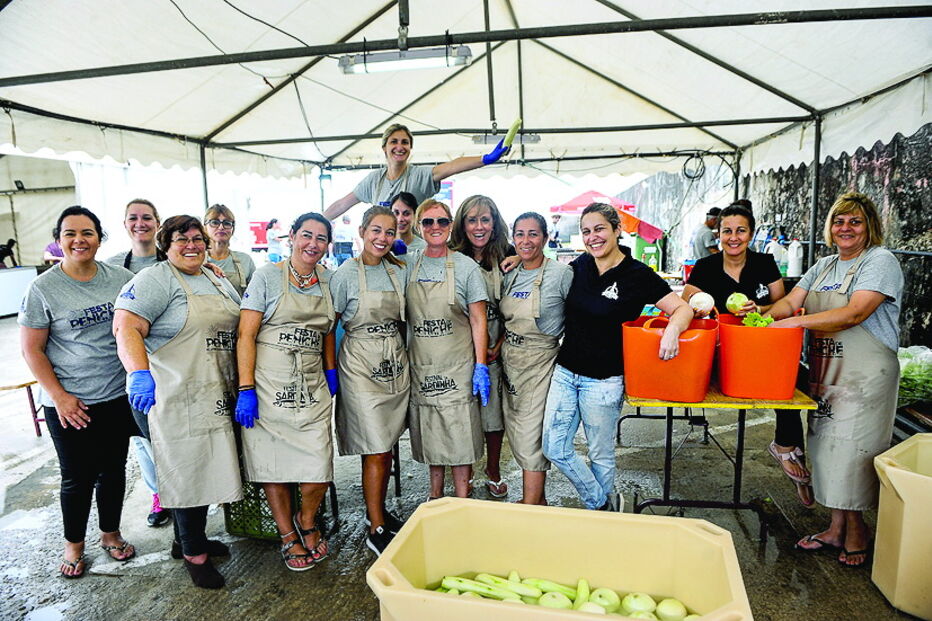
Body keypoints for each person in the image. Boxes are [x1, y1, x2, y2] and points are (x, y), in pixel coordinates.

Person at [768, 192, 903, 568]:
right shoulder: (824, 266)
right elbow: (790, 302)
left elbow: (854, 313)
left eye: (855, 222)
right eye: (839, 222)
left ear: (869, 226)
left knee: (853, 453)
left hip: (866, 374)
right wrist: (762, 311)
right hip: (828, 372)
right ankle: (835, 528)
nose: (846, 228)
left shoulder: (880, 261)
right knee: (827, 449)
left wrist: (793, 321)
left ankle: (858, 532)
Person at [113, 215, 243, 589]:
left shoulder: (214, 276)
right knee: (186, 471)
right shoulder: (155, 279)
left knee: (201, 468)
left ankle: (185, 540)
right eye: (181, 239)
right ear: (164, 244)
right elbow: (125, 326)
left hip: (210, 390)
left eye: (198, 238)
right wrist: (138, 372)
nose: (192, 245)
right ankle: (194, 555)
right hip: (166, 394)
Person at [543, 202, 693, 511]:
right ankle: (602, 503)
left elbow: (682, 308)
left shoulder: (637, 274)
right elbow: (539, 268)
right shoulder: (577, 267)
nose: (592, 237)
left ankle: (602, 518)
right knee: (554, 447)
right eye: (586, 231)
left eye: (599, 229)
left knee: (600, 455)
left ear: (616, 230)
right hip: (565, 372)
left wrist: (672, 331)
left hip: (605, 380)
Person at [19, 206, 137, 578]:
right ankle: (74, 546)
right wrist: (60, 397)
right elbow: (32, 349)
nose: (79, 240)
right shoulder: (43, 288)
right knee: (77, 476)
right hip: (71, 402)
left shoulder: (119, 278)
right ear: (59, 240)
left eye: (87, 233)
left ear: (99, 238)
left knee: (114, 470)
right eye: (70, 233)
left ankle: (110, 534)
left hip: (116, 395)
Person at [682, 204, 812, 506]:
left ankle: (787, 445)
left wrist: (760, 309)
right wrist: (699, 306)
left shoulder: (764, 263)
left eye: (741, 230)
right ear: (719, 234)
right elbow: (685, 304)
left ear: (750, 234)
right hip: (718, 353)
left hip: (758, 350)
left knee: (795, 379)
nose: (733, 237)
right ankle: (792, 451)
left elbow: (782, 308)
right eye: (727, 231)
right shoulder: (705, 267)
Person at [235, 212, 337, 571]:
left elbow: (327, 331)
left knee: (319, 466)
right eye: (306, 235)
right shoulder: (266, 277)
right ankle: (288, 536)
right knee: (272, 465)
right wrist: (246, 388)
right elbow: (246, 334)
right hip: (268, 384)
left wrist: (330, 369)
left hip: (311, 386)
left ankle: (306, 520)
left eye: (321, 238)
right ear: (291, 237)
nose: (313, 244)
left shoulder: (329, 280)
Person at [331, 206, 410, 555]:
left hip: (393, 359)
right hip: (360, 362)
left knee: (387, 442)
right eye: (376, 230)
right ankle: (375, 524)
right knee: (375, 446)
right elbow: (327, 326)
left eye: (389, 232)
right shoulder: (345, 274)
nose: (382, 238)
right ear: (362, 232)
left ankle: (376, 511)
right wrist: (331, 371)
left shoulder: (399, 271)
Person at [406, 199, 490, 499]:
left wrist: (481, 365)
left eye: (442, 222)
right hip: (422, 364)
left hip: (458, 365)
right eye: (428, 222)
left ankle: (462, 499)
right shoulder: (408, 264)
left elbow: (479, 319)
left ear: (450, 225)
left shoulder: (466, 267)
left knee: (460, 432)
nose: (435, 228)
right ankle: (435, 496)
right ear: (419, 226)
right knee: (431, 432)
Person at [104, 199, 170, 527]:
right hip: (133, 364)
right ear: (125, 223)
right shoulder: (113, 267)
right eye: (133, 218)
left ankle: (185, 492)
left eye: (147, 217)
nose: (140, 223)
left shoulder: (170, 258)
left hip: (171, 362)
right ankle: (159, 494)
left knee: (173, 435)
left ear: (158, 222)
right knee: (142, 438)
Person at [501, 212, 573, 505]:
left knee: (532, 433)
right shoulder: (511, 272)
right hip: (511, 359)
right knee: (517, 429)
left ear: (545, 238)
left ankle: (531, 506)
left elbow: (578, 316)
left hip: (541, 361)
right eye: (520, 234)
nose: (526, 240)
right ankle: (537, 500)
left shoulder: (561, 274)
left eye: (533, 234)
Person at [450, 195, 513, 499]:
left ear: (495, 222)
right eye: (472, 220)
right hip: (460, 350)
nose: (479, 226)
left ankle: (493, 469)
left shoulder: (508, 257)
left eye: (485, 219)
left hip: (495, 350)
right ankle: (465, 471)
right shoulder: (450, 257)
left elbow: (517, 310)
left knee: (493, 418)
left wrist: (499, 344)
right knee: (463, 416)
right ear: (462, 224)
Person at [323, 123, 510, 219]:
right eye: (394, 142)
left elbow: (453, 166)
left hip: (414, 250)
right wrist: (316, 222)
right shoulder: (373, 180)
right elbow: (342, 205)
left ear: (410, 148)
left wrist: (486, 159)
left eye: (405, 142)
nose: (399, 146)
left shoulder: (420, 175)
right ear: (384, 148)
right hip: (381, 249)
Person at [204, 203, 256, 296]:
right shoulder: (196, 261)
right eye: (214, 222)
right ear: (204, 227)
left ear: (233, 229)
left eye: (227, 223)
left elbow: (256, 296)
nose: (221, 227)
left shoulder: (245, 260)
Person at [388, 191, 426, 255]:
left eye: (406, 214)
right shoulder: (383, 246)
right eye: (396, 213)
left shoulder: (425, 248)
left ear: (415, 215)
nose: (400, 219)